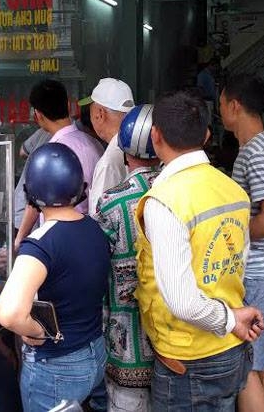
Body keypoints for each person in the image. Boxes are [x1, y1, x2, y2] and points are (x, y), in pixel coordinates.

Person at [134, 89, 264, 411]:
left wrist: (228, 320)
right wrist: (232, 317)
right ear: (207, 135)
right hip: (230, 347)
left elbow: (182, 301)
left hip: (190, 356)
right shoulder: (232, 189)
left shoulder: (165, 200)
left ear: (155, 136)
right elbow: (234, 264)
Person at [0, 143, 110, 412]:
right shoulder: (94, 228)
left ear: (31, 194)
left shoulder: (41, 244)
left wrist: (38, 331)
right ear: (79, 187)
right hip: (94, 354)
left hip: (57, 367)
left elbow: (10, 314)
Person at [219, 75, 264, 412]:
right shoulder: (258, 147)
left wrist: (233, 232)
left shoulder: (257, 152)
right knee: (262, 361)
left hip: (263, 276)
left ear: (234, 106)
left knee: (245, 366)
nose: (219, 112)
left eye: (221, 105)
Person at [94, 105, 160, 412]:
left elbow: (95, 269)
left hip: (126, 340)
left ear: (123, 149)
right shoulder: (179, 191)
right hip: (172, 341)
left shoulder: (111, 202)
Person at [14, 79, 103, 249]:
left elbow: (35, 203)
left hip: (59, 240)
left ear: (38, 115)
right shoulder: (94, 144)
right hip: (90, 235)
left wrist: (19, 240)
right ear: (68, 106)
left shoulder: (53, 155)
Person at [78, 77, 134, 214]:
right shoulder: (137, 145)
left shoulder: (108, 162)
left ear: (100, 114)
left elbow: (101, 217)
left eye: (91, 110)